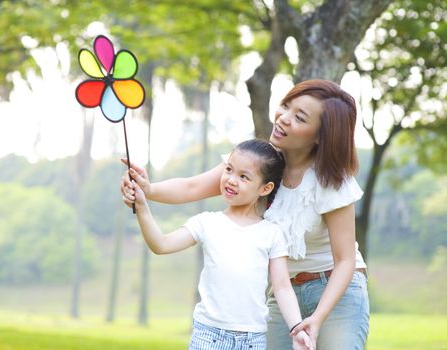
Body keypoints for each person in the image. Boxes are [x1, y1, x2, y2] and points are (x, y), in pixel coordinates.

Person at [121, 79, 369, 350]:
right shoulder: (258, 163)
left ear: (321, 135)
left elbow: (345, 260)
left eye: (299, 117)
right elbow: (192, 187)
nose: (284, 118)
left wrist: (317, 319)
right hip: (283, 290)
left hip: (334, 291)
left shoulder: (332, 181)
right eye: (286, 106)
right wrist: (148, 189)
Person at [127, 139, 313, 350]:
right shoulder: (207, 222)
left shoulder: (272, 233)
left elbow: (282, 288)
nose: (231, 180)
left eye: (243, 177)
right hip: (208, 335)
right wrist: (142, 207)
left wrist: (297, 328)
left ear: (265, 188)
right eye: (229, 170)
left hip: (252, 340)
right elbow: (161, 245)